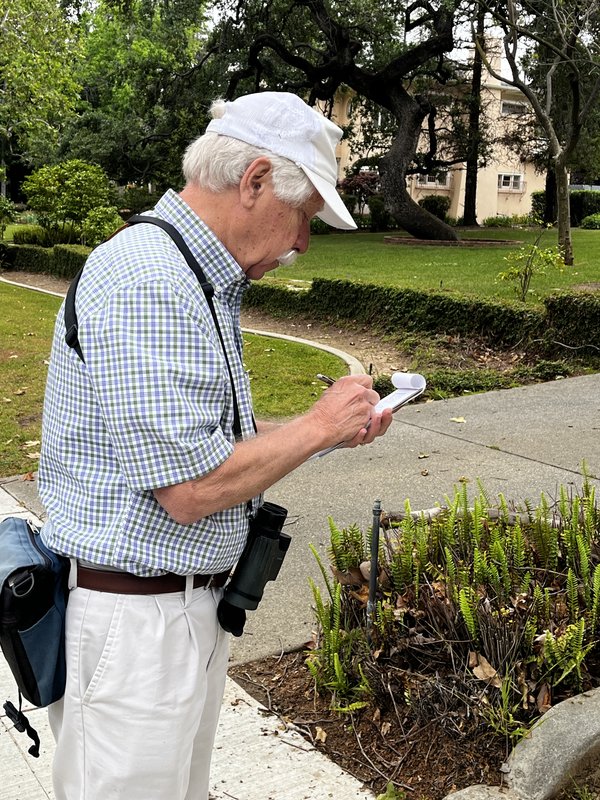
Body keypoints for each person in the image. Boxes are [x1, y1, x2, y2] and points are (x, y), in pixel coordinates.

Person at [38, 91, 393, 800]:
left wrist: (324, 433)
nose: (302, 243)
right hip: (138, 627)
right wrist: (318, 424)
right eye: (305, 217)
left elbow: (206, 442)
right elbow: (191, 487)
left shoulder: (191, 277)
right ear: (255, 180)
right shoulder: (151, 279)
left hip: (172, 616)